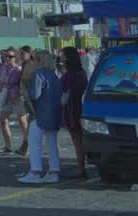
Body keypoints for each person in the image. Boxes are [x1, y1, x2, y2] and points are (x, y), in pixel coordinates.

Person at [18, 51, 62, 184]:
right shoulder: (54, 75)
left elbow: (35, 95)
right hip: (54, 113)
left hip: (41, 114)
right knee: (52, 143)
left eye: (35, 59)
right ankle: (54, 172)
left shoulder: (38, 74)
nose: (33, 62)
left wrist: (25, 91)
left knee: (33, 141)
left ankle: (35, 172)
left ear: (40, 61)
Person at [60, 46, 88, 178]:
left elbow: (63, 92)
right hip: (81, 107)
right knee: (81, 140)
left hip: (71, 109)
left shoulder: (69, 75)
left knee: (77, 141)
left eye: (63, 56)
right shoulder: (81, 72)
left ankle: (80, 168)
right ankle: (81, 166)